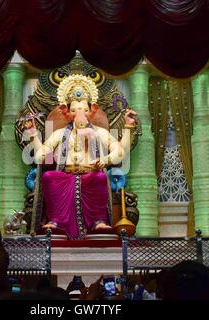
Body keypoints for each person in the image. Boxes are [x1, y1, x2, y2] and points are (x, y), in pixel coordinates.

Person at [23, 74, 137, 240]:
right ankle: (56, 220)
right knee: (49, 176)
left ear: (92, 111)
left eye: (84, 110)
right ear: (66, 111)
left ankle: (98, 221)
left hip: (91, 174)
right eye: (74, 110)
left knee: (99, 178)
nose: (79, 114)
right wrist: (33, 135)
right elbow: (41, 156)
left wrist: (127, 128)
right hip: (65, 175)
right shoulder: (60, 133)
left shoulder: (99, 133)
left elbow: (120, 152)